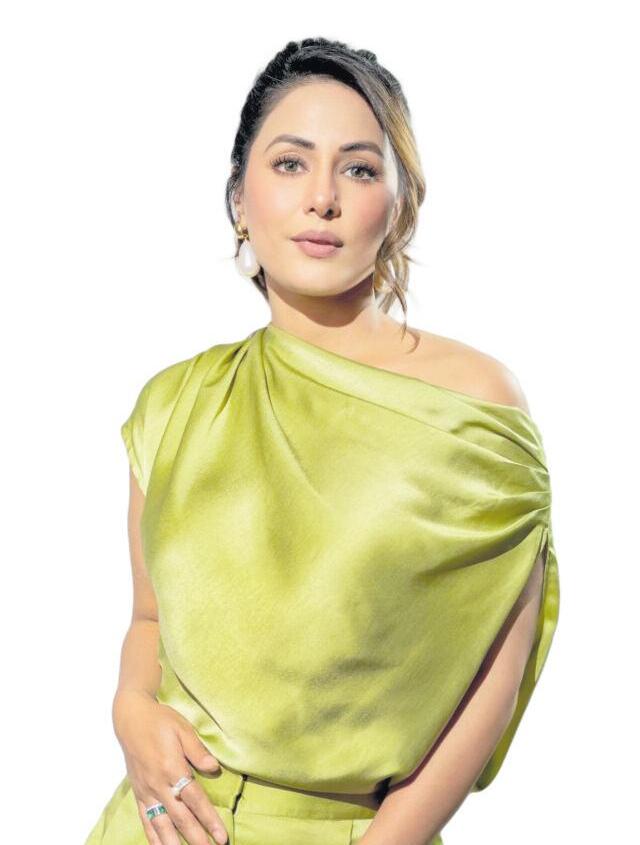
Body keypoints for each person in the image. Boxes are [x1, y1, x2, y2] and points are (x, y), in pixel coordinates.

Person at [85, 37, 560, 845]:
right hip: (159, 821)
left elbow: (494, 677)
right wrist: (130, 708)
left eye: (360, 169)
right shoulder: (174, 403)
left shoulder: (473, 406)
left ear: (399, 206)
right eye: (290, 163)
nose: (322, 199)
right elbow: (149, 617)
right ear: (239, 197)